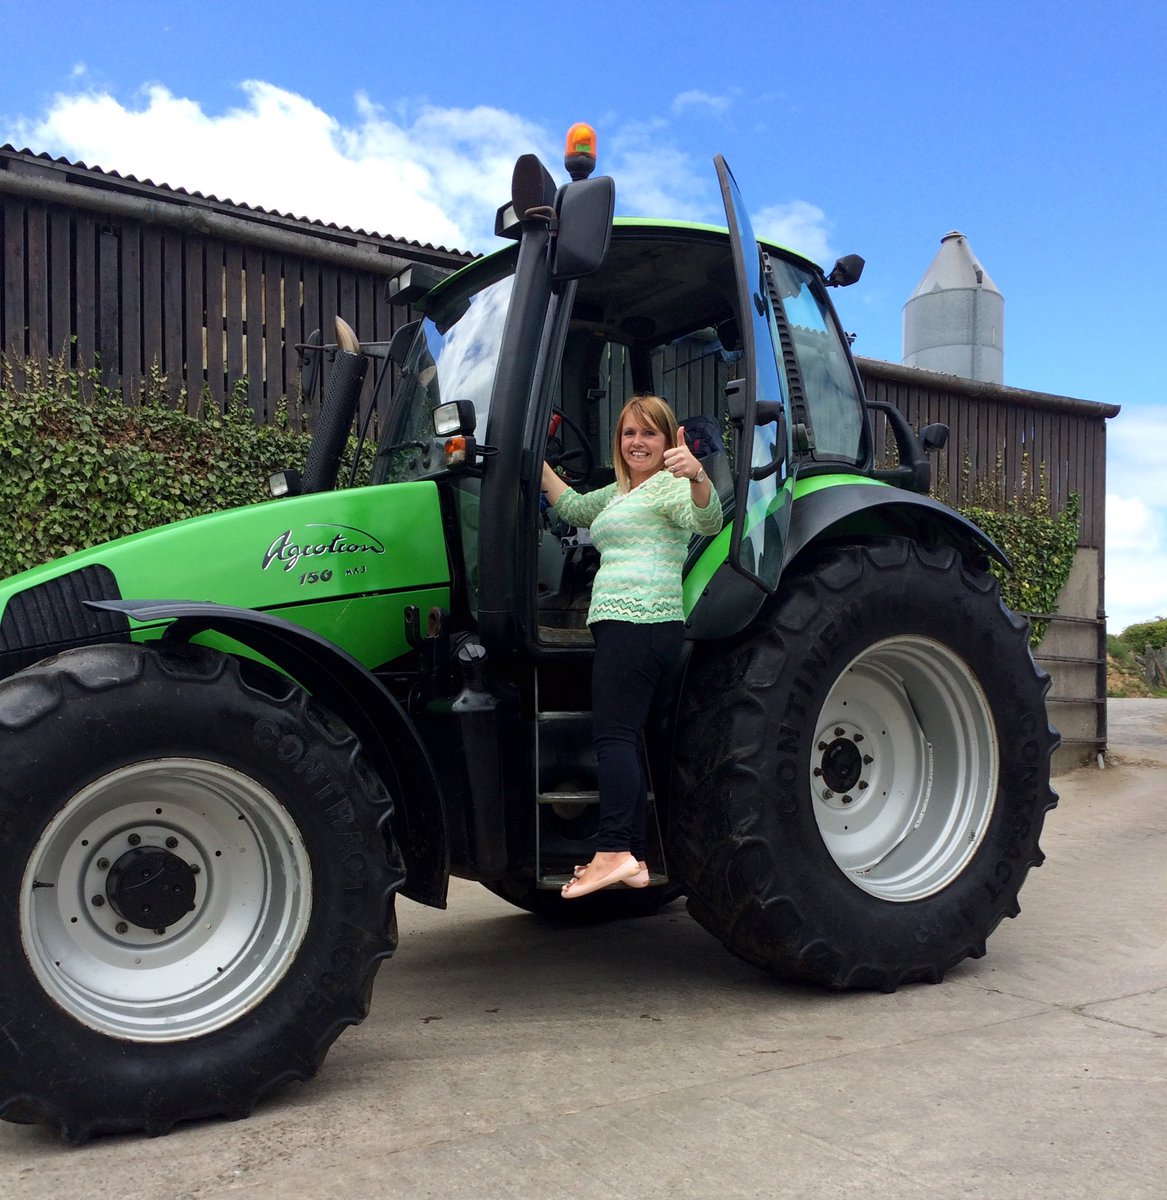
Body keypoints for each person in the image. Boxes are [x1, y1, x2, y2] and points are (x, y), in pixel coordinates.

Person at [540, 394, 723, 898]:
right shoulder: (621, 492)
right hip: (626, 627)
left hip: (638, 623)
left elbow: (706, 521)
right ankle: (635, 858)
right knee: (627, 738)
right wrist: (530, 459)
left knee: (614, 738)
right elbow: (573, 506)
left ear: (667, 441)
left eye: (649, 433)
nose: (637, 442)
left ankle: (615, 849)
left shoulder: (667, 486)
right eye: (628, 433)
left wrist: (697, 476)